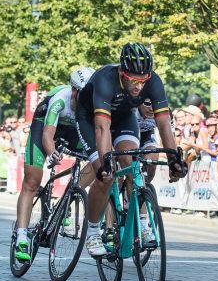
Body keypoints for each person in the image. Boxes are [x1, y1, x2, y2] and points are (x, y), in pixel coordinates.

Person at [76, 43, 184, 257]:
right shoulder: (105, 79)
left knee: (133, 164)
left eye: (142, 81)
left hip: (124, 116)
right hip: (91, 119)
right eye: (132, 80)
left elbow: (163, 124)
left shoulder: (153, 81)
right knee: (105, 176)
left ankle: (142, 224)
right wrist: (104, 162)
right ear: (121, 72)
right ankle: (94, 231)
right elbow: (101, 127)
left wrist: (174, 159)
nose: (138, 86)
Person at [14, 66, 94, 261]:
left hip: (72, 130)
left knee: (97, 160)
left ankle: (68, 198)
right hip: (45, 125)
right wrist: (51, 154)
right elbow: (48, 135)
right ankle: (22, 236)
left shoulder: (92, 106)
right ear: (75, 91)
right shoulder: (61, 99)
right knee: (32, 181)